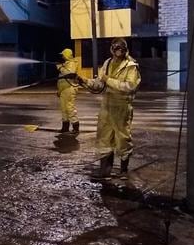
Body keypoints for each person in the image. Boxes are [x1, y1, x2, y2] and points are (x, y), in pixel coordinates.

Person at [78, 38, 141, 180]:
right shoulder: (107, 63)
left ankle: (123, 170)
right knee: (104, 138)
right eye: (116, 49)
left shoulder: (131, 66)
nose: (119, 51)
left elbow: (130, 86)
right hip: (106, 106)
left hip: (122, 107)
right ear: (112, 49)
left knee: (123, 139)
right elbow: (99, 84)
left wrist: (108, 80)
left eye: (121, 49)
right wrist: (84, 80)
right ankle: (105, 171)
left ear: (125, 50)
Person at [56, 48, 80, 133]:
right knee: (64, 109)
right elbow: (61, 79)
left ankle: (75, 127)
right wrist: (59, 90)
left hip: (69, 88)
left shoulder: (72, 63)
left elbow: (70, 74)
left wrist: (60, 68)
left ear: (66, 55)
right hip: (63, 89)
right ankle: (65, 127)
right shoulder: (65, 64)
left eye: (63, 55)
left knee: (70, 108)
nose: (62, 56)